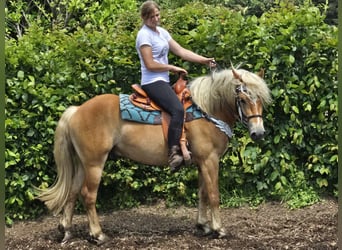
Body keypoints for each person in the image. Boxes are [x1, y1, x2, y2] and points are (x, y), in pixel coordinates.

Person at [136, 0, 216, 172]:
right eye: (151, 17)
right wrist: (172, 67)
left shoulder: (162, 33)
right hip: (152, 82)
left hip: (163, 81)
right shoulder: (144, 35)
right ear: (144, 18)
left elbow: (180, 51)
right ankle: (173, 152)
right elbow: (150, 64)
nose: (156, 19)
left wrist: (204, 60)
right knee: (177, 110)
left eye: (157, 15)